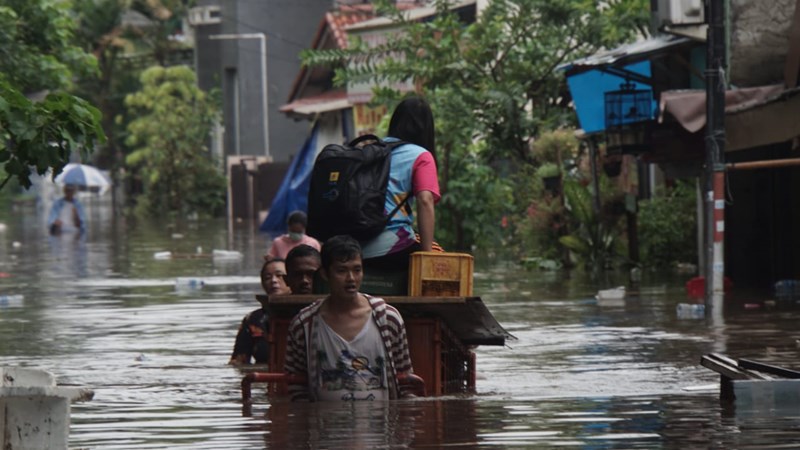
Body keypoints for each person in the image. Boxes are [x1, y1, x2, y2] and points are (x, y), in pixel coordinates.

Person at [284, 235, 414, 401]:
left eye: (357, 270)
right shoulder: (304, 325)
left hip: (383, 424)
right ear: (324, 274)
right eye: (342, 271)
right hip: (324, 424)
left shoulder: (388, 319)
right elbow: (296, 389)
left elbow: (406, 381)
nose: (351, 278)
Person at [360, 96, 441, 270]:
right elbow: (425, 201)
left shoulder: (371, 149)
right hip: (391, 246)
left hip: (354, 246)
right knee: (439, 258)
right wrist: (426, 257)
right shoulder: (421, 156)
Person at [229, 258, 291, 366]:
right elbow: (238, 362)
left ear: (291, 279)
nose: (274, 280)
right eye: (267, 277)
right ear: (262, 283)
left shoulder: (307, 313)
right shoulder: (253, 319)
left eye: (279, 275)